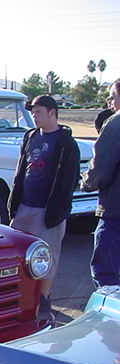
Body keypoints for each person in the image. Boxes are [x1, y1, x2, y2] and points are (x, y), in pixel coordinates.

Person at [7, 95, 80, 321]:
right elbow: (21, 170)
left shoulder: (66, 143)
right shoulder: (30, 137)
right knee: (17, 254)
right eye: (33, 112)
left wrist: (58, 211)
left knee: (47, 257)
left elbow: (69, 180)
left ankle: (43, 300)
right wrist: (14, 202)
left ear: (52, 113)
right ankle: (17, 297)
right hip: (24, 207)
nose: (34, 116)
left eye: (38, 112)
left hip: (48, 211)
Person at [82, 79, 120, 287]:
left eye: (113, 97)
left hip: (115, 213)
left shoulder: (116, 123)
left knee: (107, 277)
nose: (110, 102)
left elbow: (101, 171)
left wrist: (86, 181)